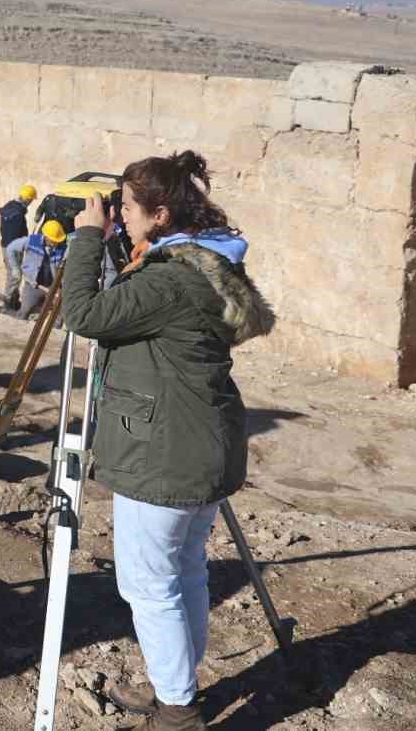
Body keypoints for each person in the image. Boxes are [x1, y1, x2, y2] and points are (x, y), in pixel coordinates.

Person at [62, 150, 274, 731]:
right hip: (199, 444)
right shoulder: (202, 266)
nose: (118, 217)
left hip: (164, 454)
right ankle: (172, 685)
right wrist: (112, 246)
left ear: (158, 214)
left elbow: (82, 313)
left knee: (149, 585)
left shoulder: (169, 281)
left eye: (126, 209)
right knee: (184, 573)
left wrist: (84, 240)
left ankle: (178, 712)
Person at [1, 218, 67, 318]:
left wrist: (60, 286)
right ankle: (37, 310)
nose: (56, 243)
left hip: (53, 287)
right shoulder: (31, 241)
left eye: (57, 240)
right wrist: (15, 268)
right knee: (23, 314)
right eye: (54, 240)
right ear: (46, 237)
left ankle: (42, 310)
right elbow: (11, 248)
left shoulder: (63, 248)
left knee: (59, 318)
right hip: (34, 285)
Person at [0, 184, 36, 303]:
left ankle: (13, 298)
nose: (30, 203)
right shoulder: (18, 214)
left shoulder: (8, 206)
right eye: (31, 200)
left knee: (11, 271)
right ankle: (9, 300)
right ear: (28, 199)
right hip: (13, 248)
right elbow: (18, 233)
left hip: (4, 245)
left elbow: (2, 228)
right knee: (15, 274)